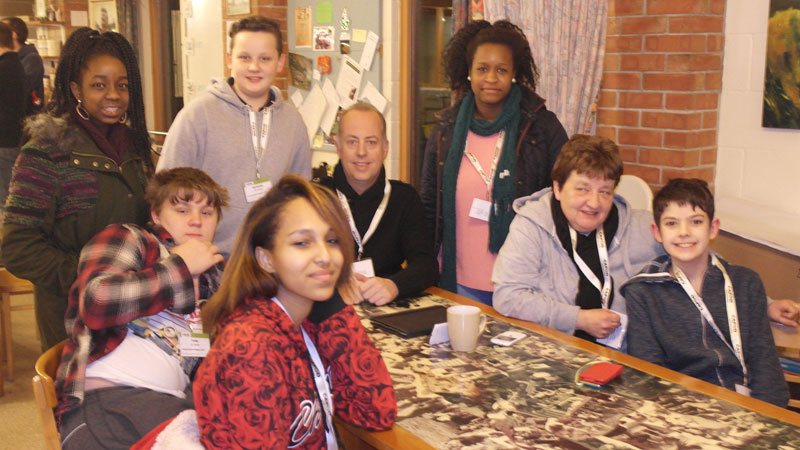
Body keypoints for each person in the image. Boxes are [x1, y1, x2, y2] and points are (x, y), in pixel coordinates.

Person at [195, 175, 397, 449]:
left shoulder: (306, 320)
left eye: (333, 240)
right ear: (266, 258)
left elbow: (375, 410)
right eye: (302, 242)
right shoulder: (250, 347)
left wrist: (332, 304)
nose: (325, 256)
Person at [1, 27, 152, 350]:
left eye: (122, 86)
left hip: (133, 316)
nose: (113, 94)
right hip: (72, 324)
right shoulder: (48, 151)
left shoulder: (136, 150)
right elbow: (18, 247)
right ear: (76, 89)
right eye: (99, 85)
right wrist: (91, 279)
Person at [55, 167, 228, 449]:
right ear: (157, 215)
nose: (196, 221)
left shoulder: (216, 273)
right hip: (109, 399)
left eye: (207, 213)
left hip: (172, 404)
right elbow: (96, 302)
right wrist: (180, 267)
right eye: (183, 211)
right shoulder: (132, 238)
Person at [420, 20, 568, 305]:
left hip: (523, 283)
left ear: (514, 74)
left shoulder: (541, 126)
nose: (491, 78)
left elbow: (563, 196)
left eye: (501, 69)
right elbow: (429, 203)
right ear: (468, 73)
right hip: (455, 279)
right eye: (482, 69)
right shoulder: (445, 129)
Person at [621, 178, 789, 407]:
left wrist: (766, 421)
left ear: (713, 228)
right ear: (657, 232)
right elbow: (647, 376)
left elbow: (766, 369)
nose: (684, 232)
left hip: (746, 407)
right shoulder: (642, 292)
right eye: (671, 223)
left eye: (696, 221)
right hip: (679, 409)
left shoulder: (745, 283)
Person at [158, 15, 311, 258]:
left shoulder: (293, 122)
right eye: (245, 57)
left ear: (280, 63)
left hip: (271, 259)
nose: (254, 67)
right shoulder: (197, 115)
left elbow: (300, 194)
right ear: (229, 60)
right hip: (212, 259)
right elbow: (164, 193)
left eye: (265, 58)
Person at [492, 135, 662, 347]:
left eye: (605, 191)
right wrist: (579, 319)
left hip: (624, 357)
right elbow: (508, 296)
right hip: (554, 352)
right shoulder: (532, 224)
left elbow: (694, 251)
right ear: (558, 188)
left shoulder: (641, 226)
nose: (594, 202)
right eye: (582, 189)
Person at [318, 102, 438, 305]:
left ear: (385, 149)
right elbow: (296, 265)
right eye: (352, 142)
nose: (362, 152)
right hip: (327, 307)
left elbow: (427, 266)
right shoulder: (315, 199)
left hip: (387, 311)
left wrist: (395, 285)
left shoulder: (404, 199)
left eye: (371, 142)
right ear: (338, 148)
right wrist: (336, 284)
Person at [0, 22, 26, 212]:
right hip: (12, 137)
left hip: (4, 141)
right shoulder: (16, 64)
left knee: (5, 200)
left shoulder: (4, 67)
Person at [2, 17, 44, 116]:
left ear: (13, 35)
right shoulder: (9, 59)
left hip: (28, 119)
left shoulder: (31, 59)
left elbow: (21, 90)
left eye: (2, 31)